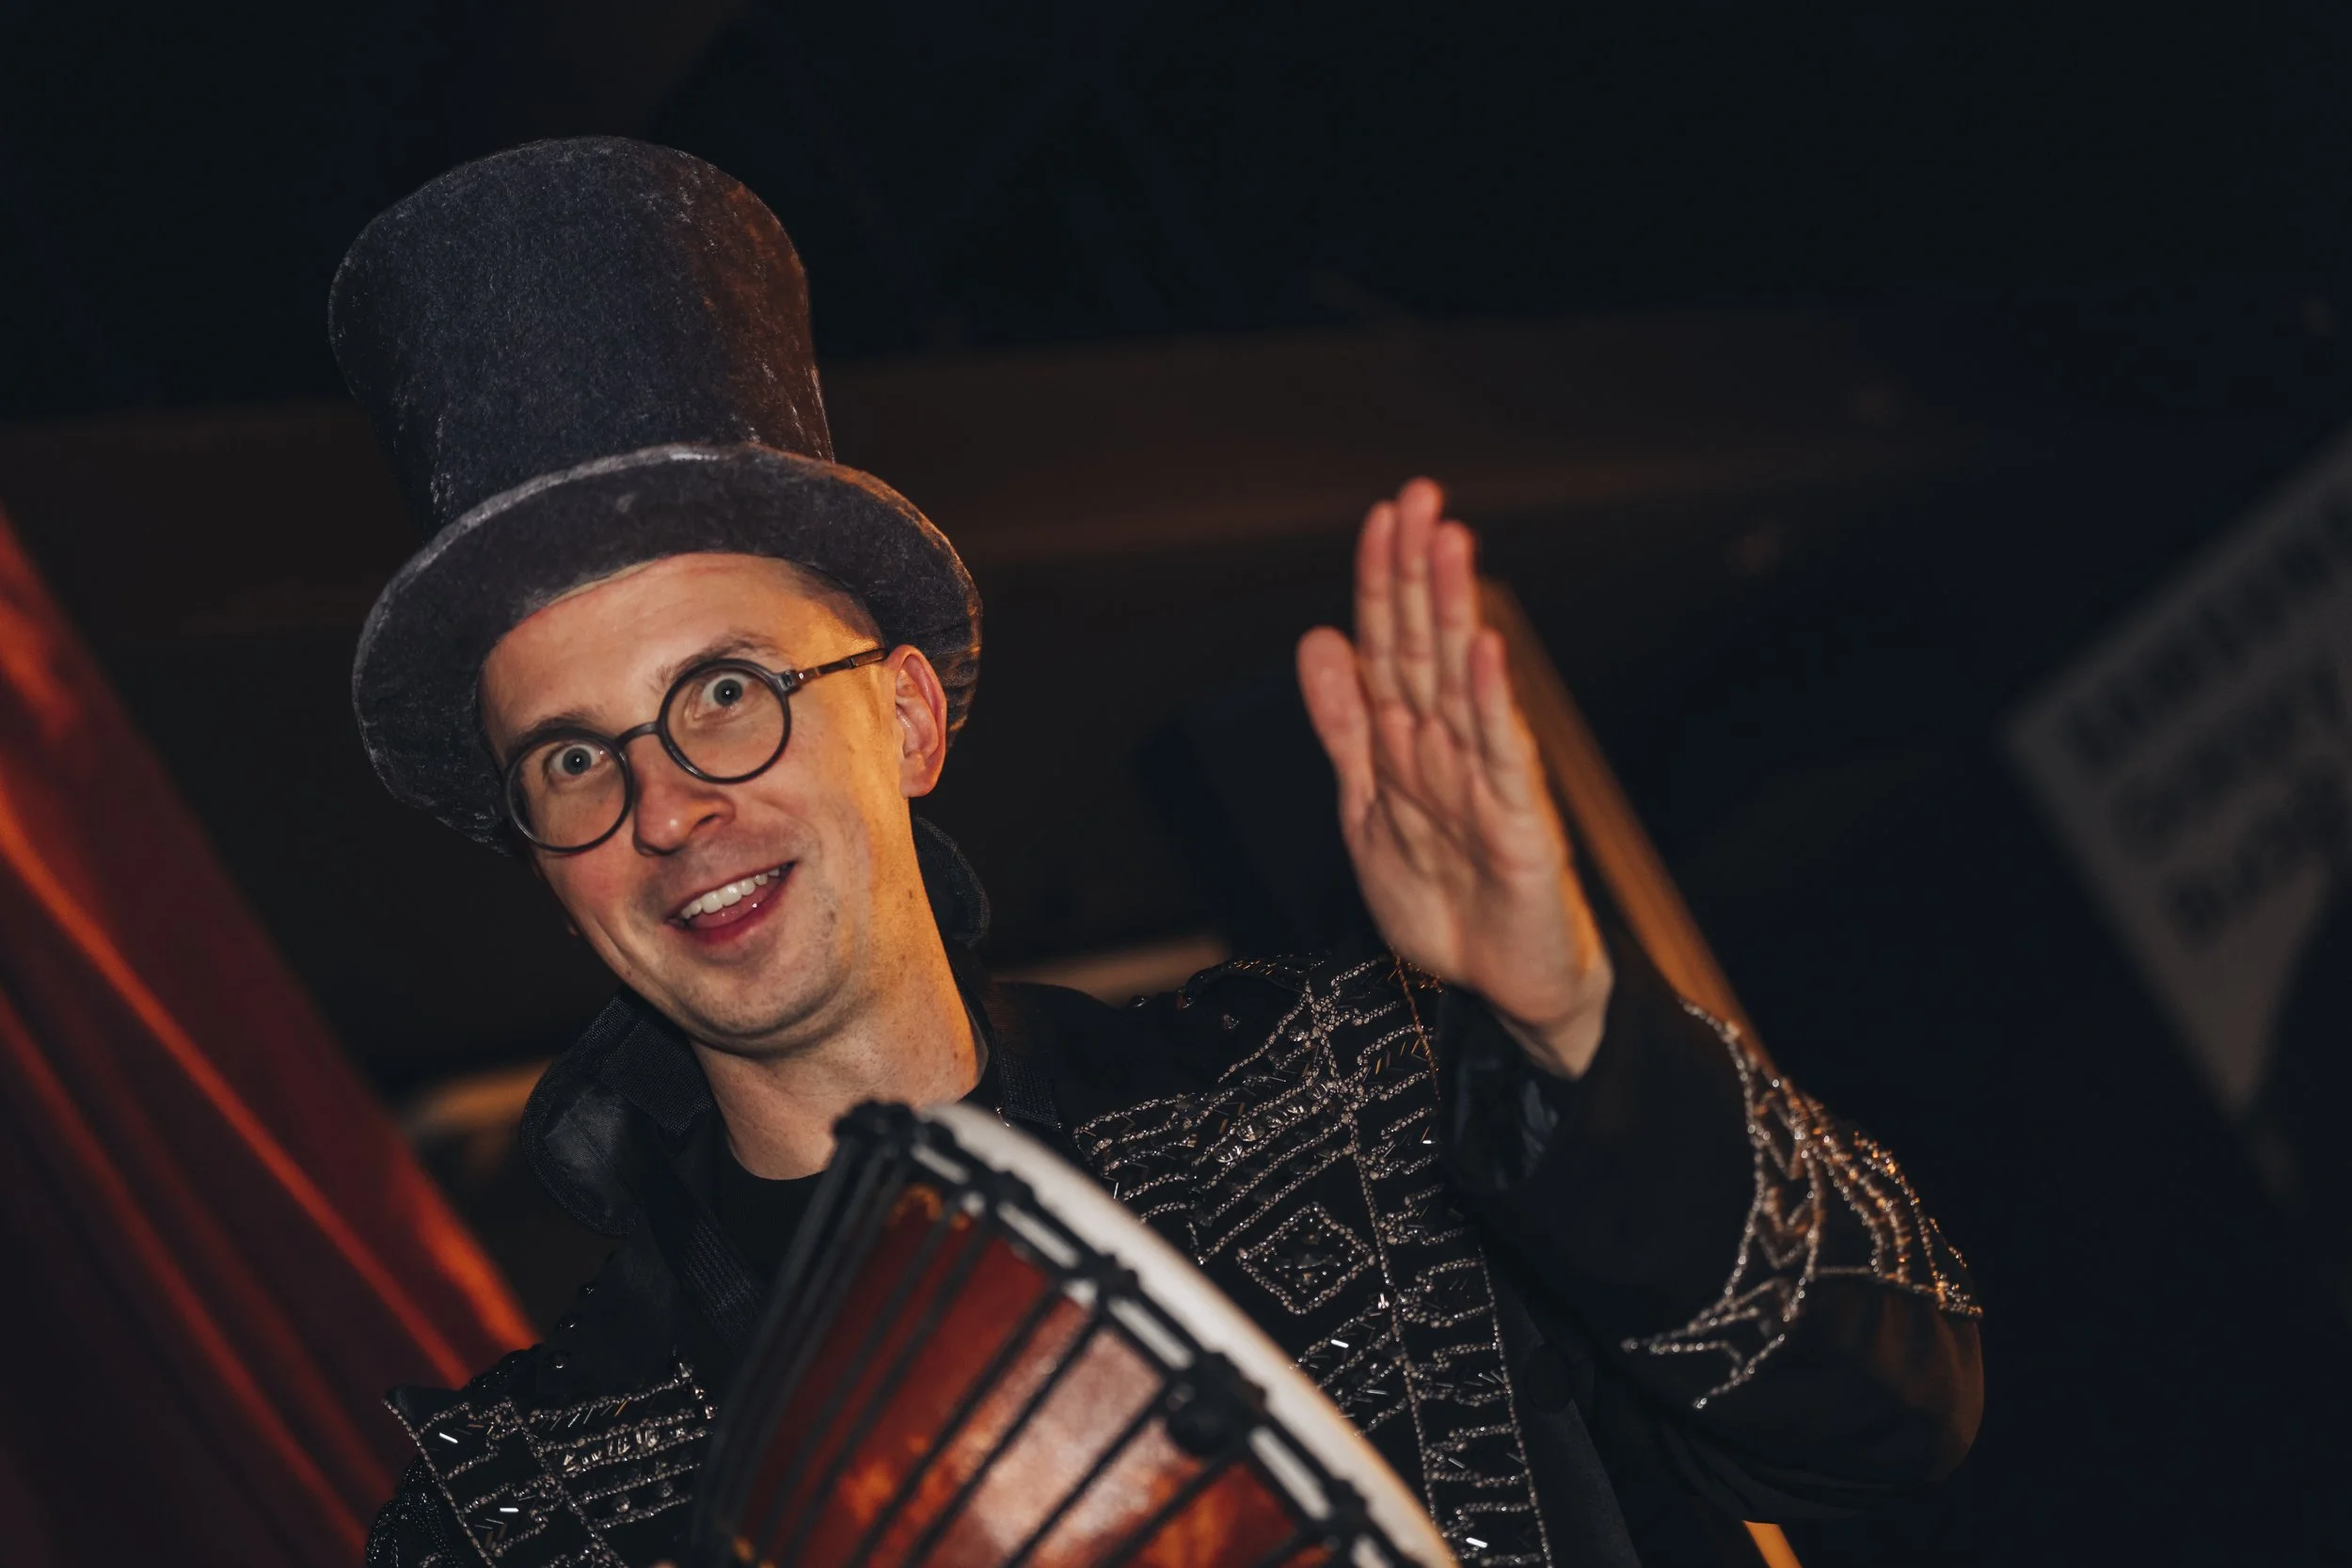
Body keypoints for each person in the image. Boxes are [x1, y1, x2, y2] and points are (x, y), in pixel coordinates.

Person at [345, 138, 1981, 1568]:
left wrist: (1571, 1032)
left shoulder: (1367, 1095)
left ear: (908, 720)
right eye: (573, 759)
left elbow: (1894, 1406)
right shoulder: (525, 1515)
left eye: (724, 691)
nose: (667, 807)